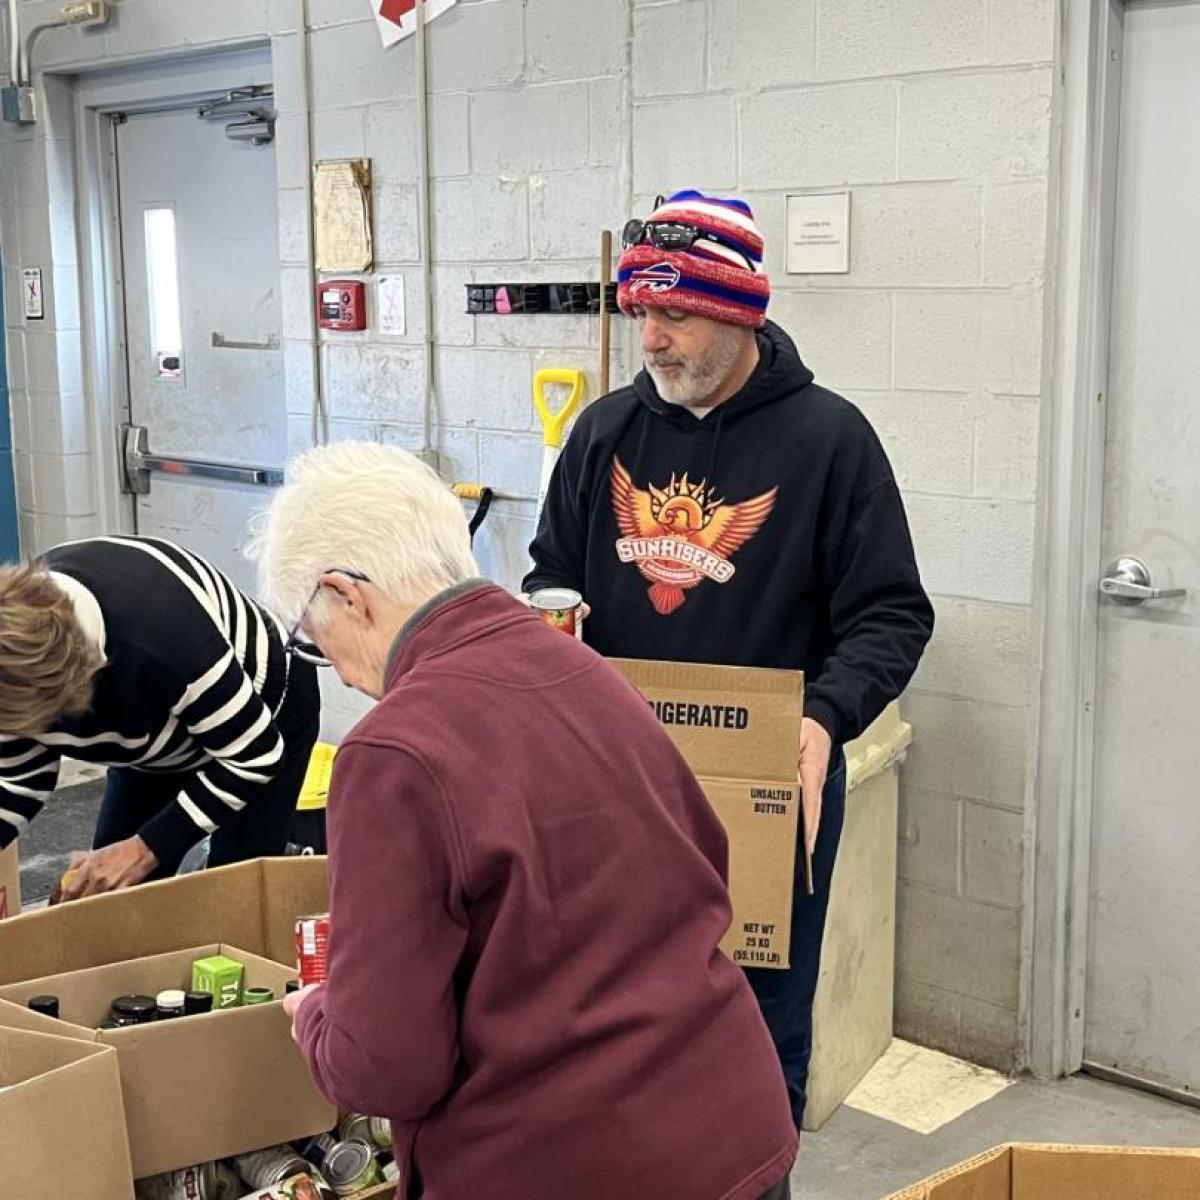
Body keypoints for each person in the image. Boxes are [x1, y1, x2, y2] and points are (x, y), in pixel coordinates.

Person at [260, 442, 797, 1200]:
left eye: (315, 642)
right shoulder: (586, 670)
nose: (344, 674)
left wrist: (318, 1016)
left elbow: (388, 1066)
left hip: (575, 1166)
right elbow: (703, 866)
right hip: (736, 1129)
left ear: (346, 594)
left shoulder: (395, 752)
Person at [524, 189, 935, 1126]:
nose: (653, 340)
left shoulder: (830, 440)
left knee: (753, 1026)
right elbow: (551, 574)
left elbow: (893, 613)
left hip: (767, 779)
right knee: (612, 1008)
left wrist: (827, 717)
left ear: (740, 312)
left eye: (677, 314)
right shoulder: (602, 434)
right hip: (619, 774)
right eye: (641, 315)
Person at [0, 535, 319, 897]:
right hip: (155, 739)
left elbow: (255, 756)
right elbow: (19, 780)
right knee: (107, 899)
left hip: (264, 716)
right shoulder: (13, 655)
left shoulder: (165, 637)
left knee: (237, 895)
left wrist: (144, 849)